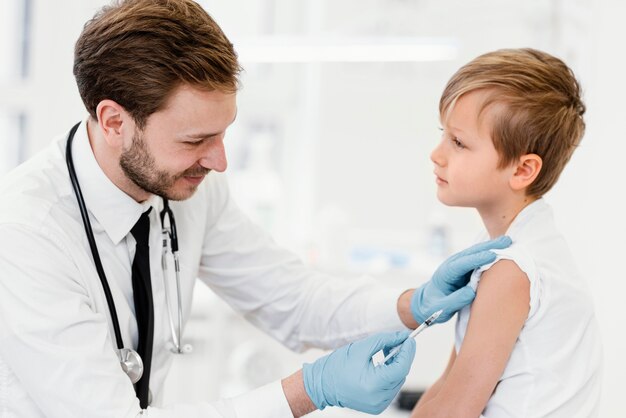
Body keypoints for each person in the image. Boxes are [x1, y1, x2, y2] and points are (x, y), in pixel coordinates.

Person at [0, 1, 510, 417]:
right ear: (114, 122)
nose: (219, 161)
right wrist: (311, 389)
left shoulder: (183, 186)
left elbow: (288, 294)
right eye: (196, 139)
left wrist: (410, 303)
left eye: (224, 133)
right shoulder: (26, 234)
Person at [410, 48, 603, 418]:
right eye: (443, 134)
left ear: (523, 170)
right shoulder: (503, 247)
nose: (437, 154)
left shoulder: (514, 268)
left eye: (459, 142)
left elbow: (457, 407)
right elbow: (450, 381)